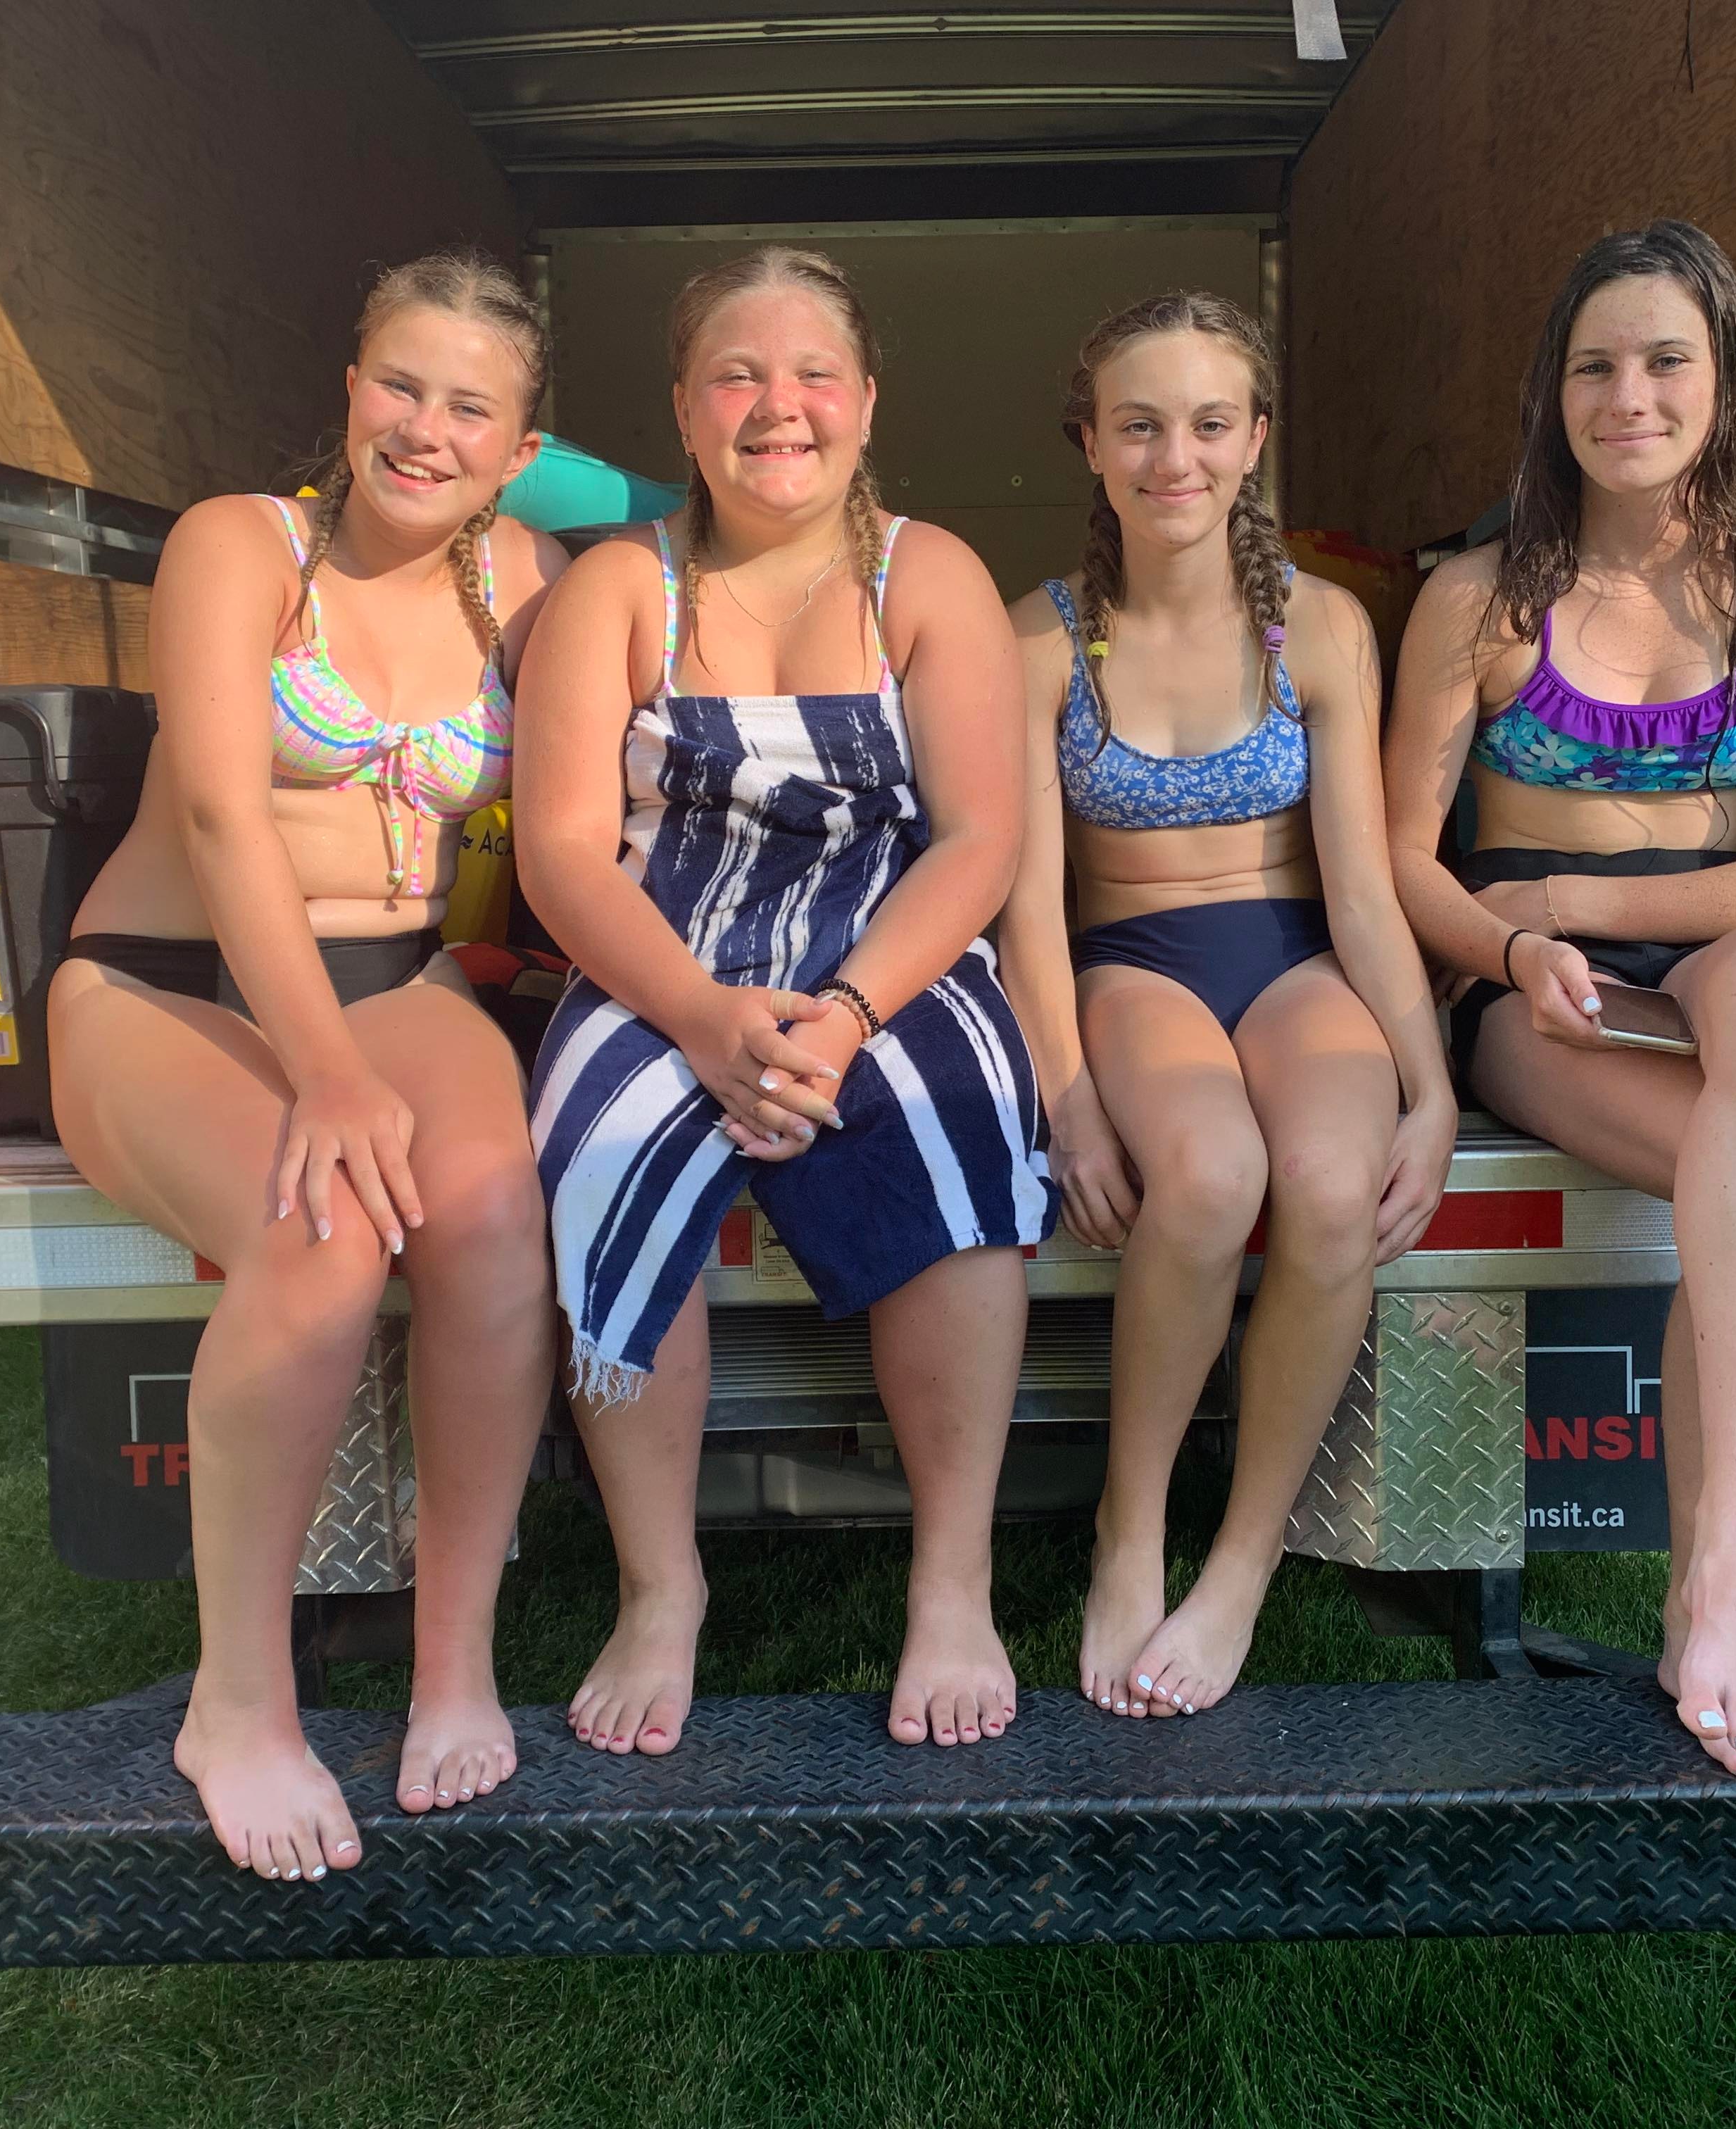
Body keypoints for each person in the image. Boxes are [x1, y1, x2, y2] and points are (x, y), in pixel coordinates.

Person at [49, 252, 565, 1880]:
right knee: (324, 1234)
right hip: (167, 981)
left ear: (520, 446)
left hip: (393, 973)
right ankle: (239, 1704)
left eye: (471, 407)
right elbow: (220, 818)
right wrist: (330, 1076)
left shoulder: (530, 581)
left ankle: (453, 1663)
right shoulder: (240, 545)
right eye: (399, 385)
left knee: (494, 1212)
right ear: (349, 388)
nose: (425, 429)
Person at [514, 245, 1055, 1759]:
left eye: (814, 374)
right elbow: (562, 852)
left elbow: (981, 842)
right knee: (604, 1142)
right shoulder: (618, 587)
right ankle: (660, 1585)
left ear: (867, 402)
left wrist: (851, 1014)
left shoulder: (927, 575)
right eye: (737, 376)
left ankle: (953, 1581)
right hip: (659, 957)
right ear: (684, 409)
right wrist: (700, 1018)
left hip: (891, 955)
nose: (778, 407)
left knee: (960, 1125)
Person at [1383, 220, 1736, 1802]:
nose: (1631, 397)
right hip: (1537, 994)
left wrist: (1577, 901)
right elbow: (1399, 858)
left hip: (1707, 949)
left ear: (1727, 378)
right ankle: (1719, 1601)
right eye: (1595, 366)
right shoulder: (1479, 597)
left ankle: (1727, 1571)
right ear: (1554, 392)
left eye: (1667, 360)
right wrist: (1513, 941)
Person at [998, 292, 1457, 1723]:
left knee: (1327, 1183)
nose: (1174, 458)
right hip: (1132, 960)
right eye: (1138, 426)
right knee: (1205, 1174)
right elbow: (1025, 905)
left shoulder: (1318, 628)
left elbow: (1364, 891)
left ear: (1256, 438)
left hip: (1299, 959)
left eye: (1208, 424)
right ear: (1091, 444)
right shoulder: (1042, 639)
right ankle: (1130, 1528)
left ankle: (1246, 1559)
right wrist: (1070, 1098)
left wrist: (1433, 1090)